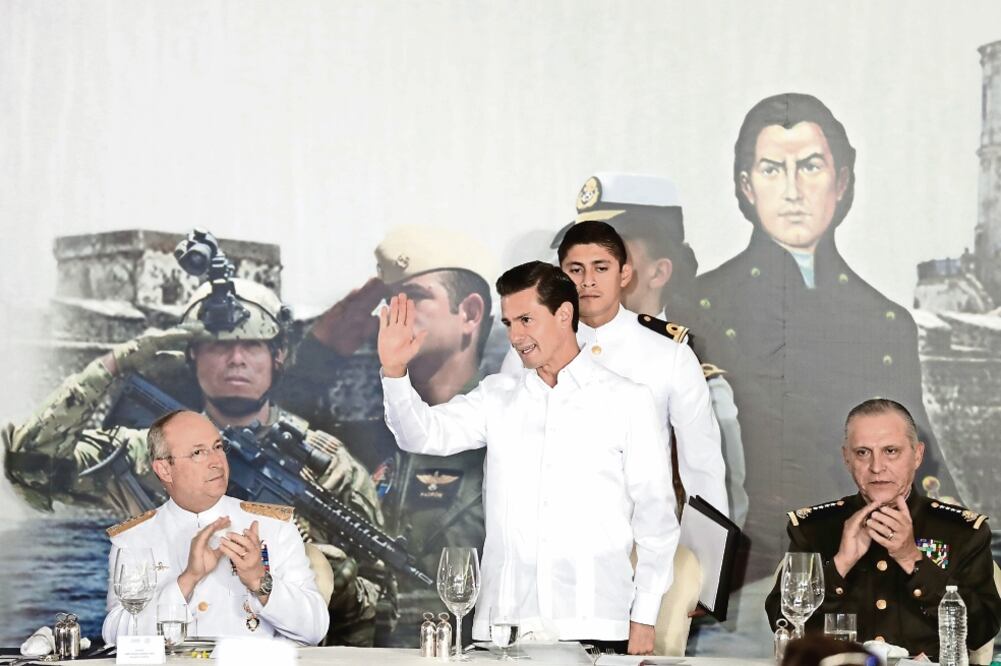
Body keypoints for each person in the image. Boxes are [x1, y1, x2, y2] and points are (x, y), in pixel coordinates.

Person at [3, 278, 385, 646]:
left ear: (278, 355)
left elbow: (381, 611)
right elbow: (30, 462)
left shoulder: (328, 470)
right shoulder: (145, 454)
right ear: (192, 355)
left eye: (252, 345)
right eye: (218, 346)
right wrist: (116, 364)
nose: (236, 359)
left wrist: (338, 585)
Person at [695, 93, 958, 581]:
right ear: (747, 186)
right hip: (748, 574)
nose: (793, 190)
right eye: (773, 169)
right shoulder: (701, 304)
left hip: (866, 567)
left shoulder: (887, 322)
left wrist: (931, 565)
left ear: (841, 181)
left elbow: (920, 462)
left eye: (810, 166)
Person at [378, 261, 679, 656]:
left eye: (526, 320)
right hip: (504, 626)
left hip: (596, 625)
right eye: (507, 323)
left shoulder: (627, 401)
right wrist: (395, 370)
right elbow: (421, 434)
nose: (515, 336)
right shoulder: (496, 396)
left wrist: (644, 617)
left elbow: (656, 520)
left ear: (564, 314)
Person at [279, 224, 499, 645]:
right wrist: (329, 343)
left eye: (413, 298)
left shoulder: (503, 430)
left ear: (469, 314)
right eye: (385, 302)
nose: (390, 315)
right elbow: (280, 415)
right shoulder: (366, 438)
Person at [551, 174, 748, 526]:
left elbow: (714, 503)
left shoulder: (692, 371)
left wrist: (690, 579)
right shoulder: (547, 350)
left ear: (658, 272)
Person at [501, 219, 729, 517]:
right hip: (547, 540)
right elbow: (507, 454)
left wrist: (707, 560)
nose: (588, 281)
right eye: (576, 270)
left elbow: (702, 466)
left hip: (639, 544)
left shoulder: (668, 354)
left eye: (601, 267)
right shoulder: (528, 350)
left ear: (624, 274)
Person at [765, 399, 1001, 658]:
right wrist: (839, 565)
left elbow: (982, 629)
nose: (876, 468)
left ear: (918, 455)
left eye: (891, 451)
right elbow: (785, 627)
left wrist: (913, 559)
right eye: (863, 453)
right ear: (846, 458)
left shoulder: (960, 532)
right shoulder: (813, 529)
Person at [102, 410, 328, 644]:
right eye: (198, 452)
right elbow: (115, 635)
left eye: (219, 447)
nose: (217, 462)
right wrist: (186, 581)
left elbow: (314, 629)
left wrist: (259, 582)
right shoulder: (134, 538)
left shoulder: (274, 526)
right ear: (164, 469)